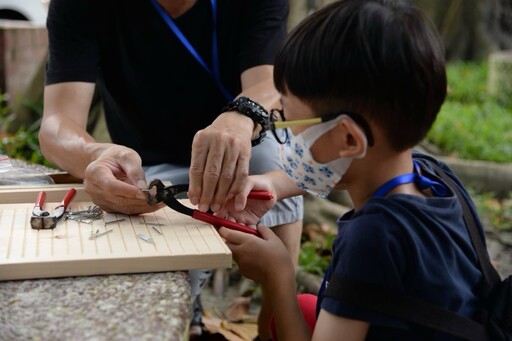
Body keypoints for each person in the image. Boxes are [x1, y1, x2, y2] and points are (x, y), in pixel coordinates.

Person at [216, 0, 490, 339]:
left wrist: (278, 274)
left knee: (293, 305)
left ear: (348, 138)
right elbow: (343, 167)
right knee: (305, 306)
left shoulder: (372, 239)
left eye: (288, 118)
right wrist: (270, 185)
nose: (283, 130)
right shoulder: (434, 175)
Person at [38, 0, 304, 339]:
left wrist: (241, 115)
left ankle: (276, 319)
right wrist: (97, 155)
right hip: (142, 170)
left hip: (246, 152)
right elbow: (56, 125)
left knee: (270, 158)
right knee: (165, 292)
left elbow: (270, 86)